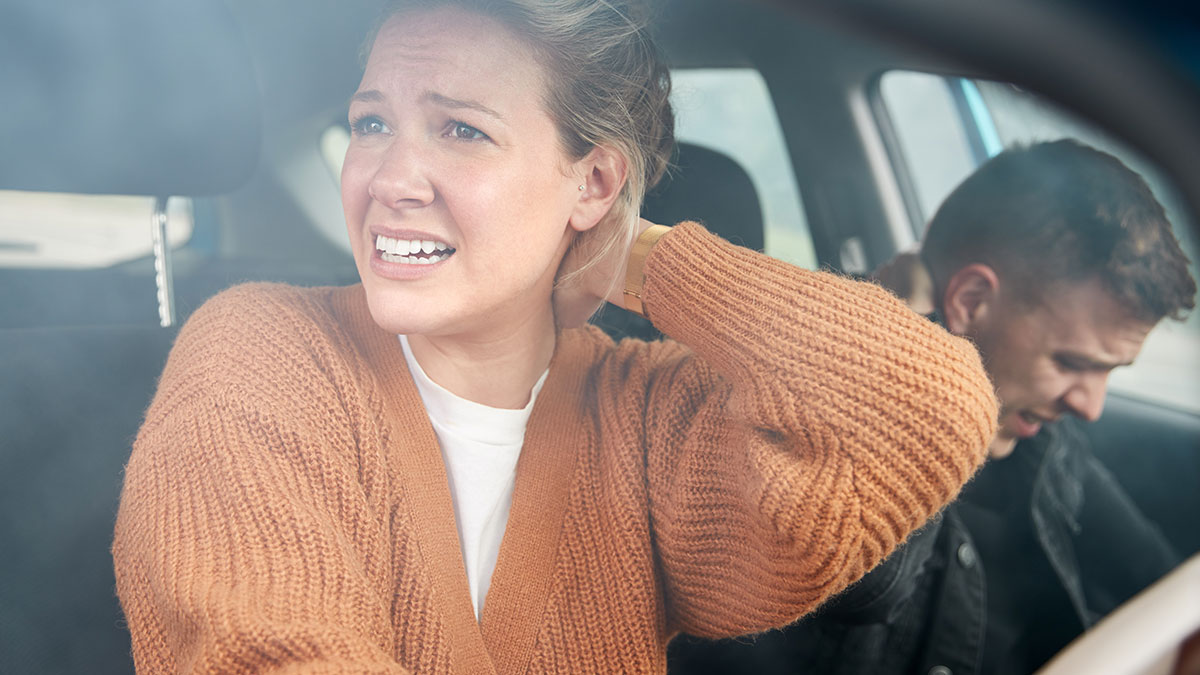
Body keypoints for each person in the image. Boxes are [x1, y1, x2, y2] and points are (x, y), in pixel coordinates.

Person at [110, 1, 998, 672]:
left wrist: (638, 261)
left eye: (461, 129)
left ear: (594, 182)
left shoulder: (646, 412)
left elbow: (927, 403)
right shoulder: (261, 350)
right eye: (372, 122)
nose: (389, 177)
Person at [668, 139, 1196, 675]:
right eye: (1071, 362)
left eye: (1109, 371)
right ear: (969, 302)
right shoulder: (785, 424)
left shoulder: (1044, 441)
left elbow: (1158, 580)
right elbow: (866, 590)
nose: (1091, 406)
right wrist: (900, 340)